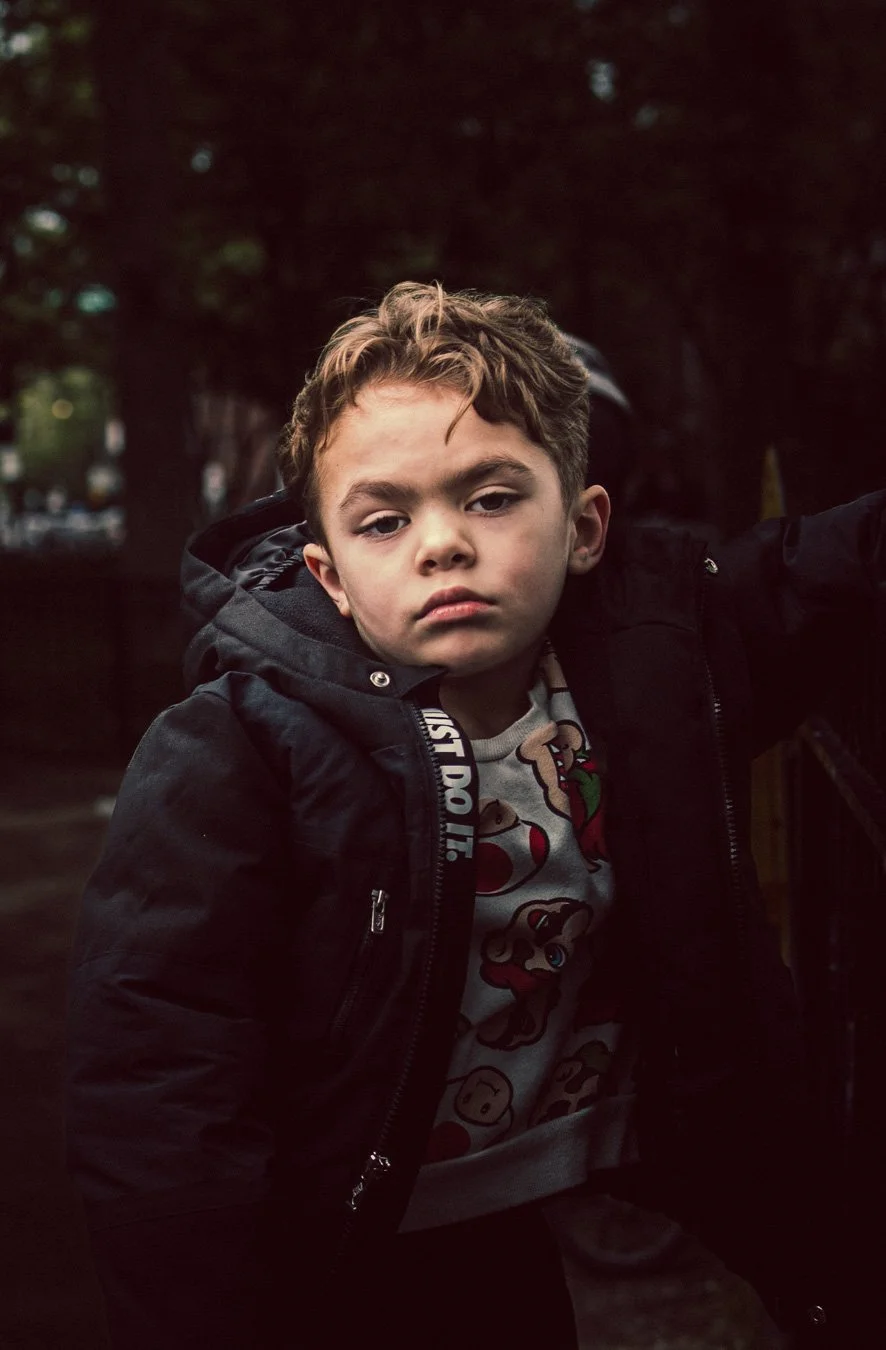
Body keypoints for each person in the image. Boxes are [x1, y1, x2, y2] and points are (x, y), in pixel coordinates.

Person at [66, 281, 885, 1350]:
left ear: (584, 524)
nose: (440, 544)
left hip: (545, 1191)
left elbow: (826, 570)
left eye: (491, 498)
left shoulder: (652, 653)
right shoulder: (238, 752)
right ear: (331, 575)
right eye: (384, 519)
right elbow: (158, 1075)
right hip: (343, 1244)